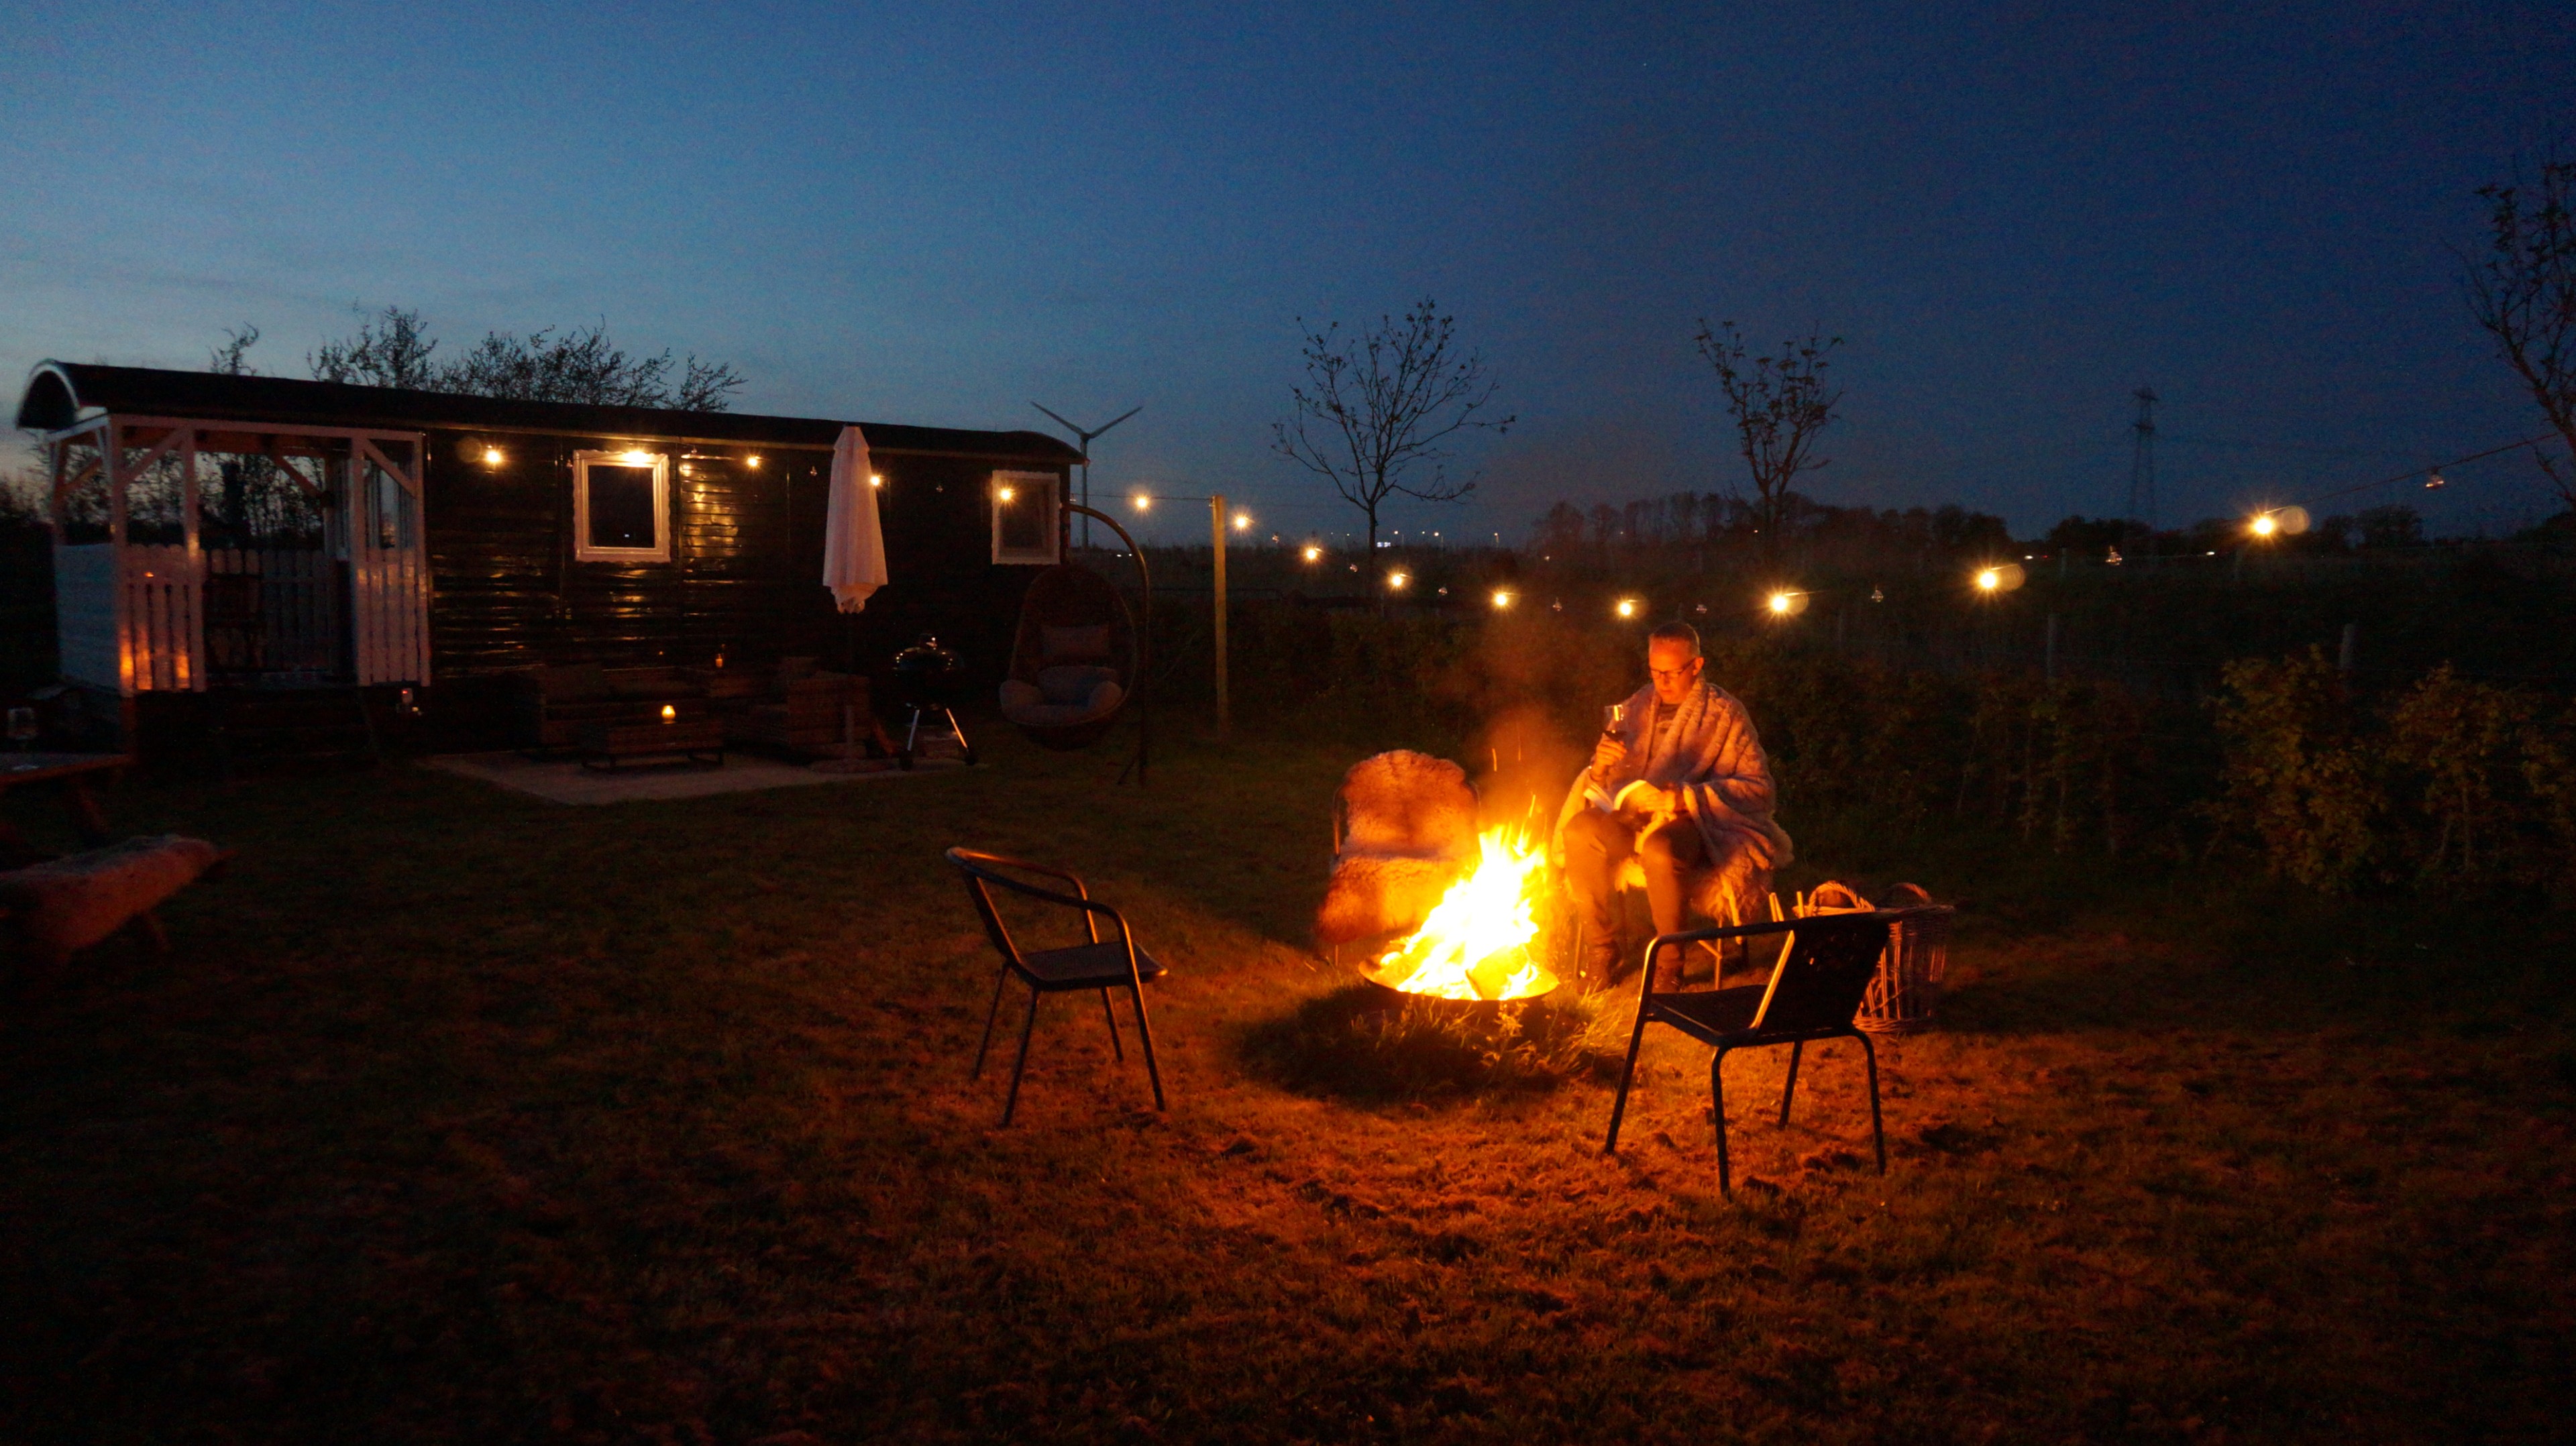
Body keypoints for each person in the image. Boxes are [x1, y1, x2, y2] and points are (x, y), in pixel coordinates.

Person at [1555, 622, 1792, 988]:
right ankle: (1603, 949)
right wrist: (1599, 768)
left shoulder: (1724, 714)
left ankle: (1669, 964)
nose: (1661, 682)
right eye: (1654, 671)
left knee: (1660, 850)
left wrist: (1684, 798)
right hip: (1632, 815)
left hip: (1693, 822)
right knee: (1580, 832)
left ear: (1696, 665)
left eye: (1671, 672)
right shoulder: (1636, 706)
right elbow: (1611, 779)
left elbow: (1758, 788)